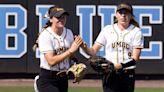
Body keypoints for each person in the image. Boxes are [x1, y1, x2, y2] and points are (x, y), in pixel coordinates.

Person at [81, 2, 144, 92]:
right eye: (120, 13)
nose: (123, 15)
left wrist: (120, 66)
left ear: (131, 16)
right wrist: (84, 47)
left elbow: (135, 58)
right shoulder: (107, 29)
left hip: (127, 74)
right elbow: (93, 51)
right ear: (116, 15)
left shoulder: (136, 32)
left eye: (126, 13)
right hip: (109, 73)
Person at [35, 5, 83, 92]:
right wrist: (70, 51)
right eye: (58, 17)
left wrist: (75, 64)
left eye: (63, 17)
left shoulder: (68, 33)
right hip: (48, 78)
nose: (61, 19)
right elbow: (51, 61)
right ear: (50, 19)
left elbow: (70, 55)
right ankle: (38, 83)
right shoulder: (45, 35)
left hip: (63, 78)